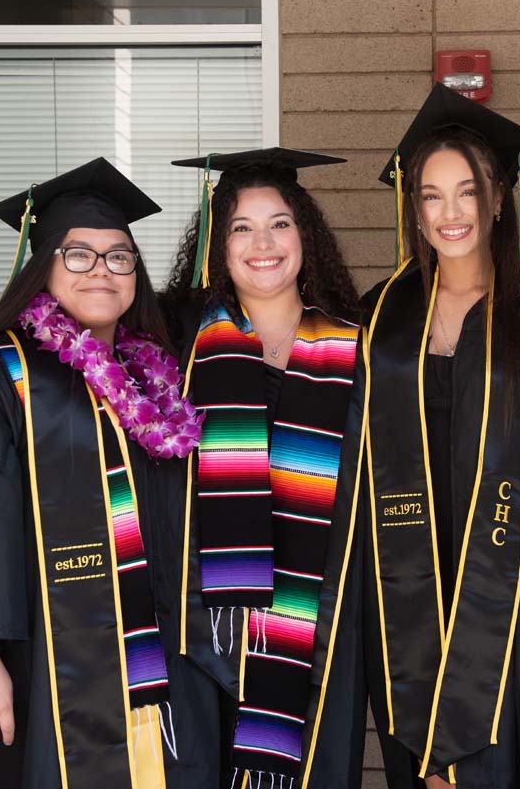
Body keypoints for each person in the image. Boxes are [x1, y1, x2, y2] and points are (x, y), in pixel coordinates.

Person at [0, 158, 202, 789]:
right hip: (43, 660)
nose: (102, 271)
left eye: (119, 257)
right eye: (78, 254)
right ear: (42, 267)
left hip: (155, 657)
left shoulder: (153, 380)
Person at [307, 84, 520, 789]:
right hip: (404, 572)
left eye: (467, 192)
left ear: (499, 198)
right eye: (431, 196)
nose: (451, 213)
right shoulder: (385, 310)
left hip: (511, 568)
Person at [157, 148, 363, 789]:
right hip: (201, 622)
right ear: (218, 245)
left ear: (307, 236)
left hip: (320, 619)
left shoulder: (359, 346)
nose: (262, 243)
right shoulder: (176, 341)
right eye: (241, 228)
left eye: (279, 223)